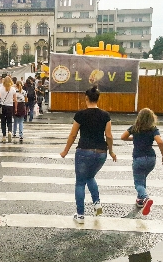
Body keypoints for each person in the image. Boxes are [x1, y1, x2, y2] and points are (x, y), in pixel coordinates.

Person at [60, 85, 117, 224]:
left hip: (84, 151)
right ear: (98, 99)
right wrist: (111, 151)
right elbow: (109, 135)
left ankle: (80, 215)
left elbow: (73, 134)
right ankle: (97, 203)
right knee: (90, 177)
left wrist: (66, 150)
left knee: (80, 182)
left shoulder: (80, 114)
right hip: (101, 153)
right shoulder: (105, 115)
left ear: (86, 98)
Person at [120, 108, 163, 216]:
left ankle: (145, 198)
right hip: (151, 159)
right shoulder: (153, 129)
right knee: (142, 178)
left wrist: (135, 138)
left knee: (138, 183)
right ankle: (140, 200)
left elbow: (123, 137)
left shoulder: (134, 128)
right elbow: (159, 141)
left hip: (138, 159)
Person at [0, 76, 17, 143]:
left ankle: (4, 136)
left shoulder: (0, 89)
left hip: (2, 107)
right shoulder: (13, 89)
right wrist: (16, 108)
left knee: (3, 122)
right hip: (10, 106)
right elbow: (15, 100)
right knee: (9, 121)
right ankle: (10, 132)